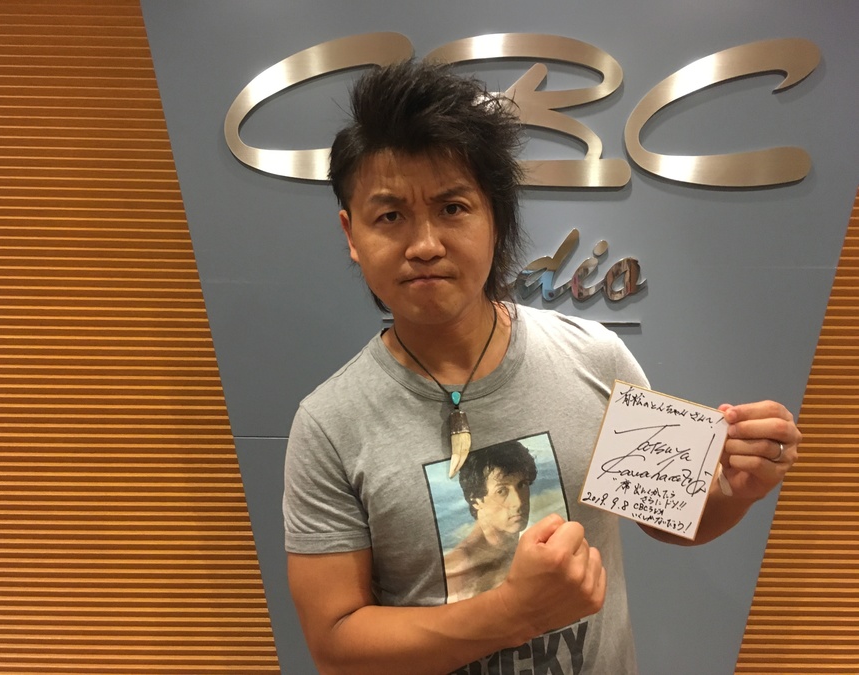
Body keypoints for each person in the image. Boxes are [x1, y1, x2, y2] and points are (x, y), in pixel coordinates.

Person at [282, 60, 801, 675]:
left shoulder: (593, 357)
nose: (424, 245)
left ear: (496, 218)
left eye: (453, 208)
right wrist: (513, 613)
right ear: (351, 233)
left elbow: (671, 520)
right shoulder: (328, 425)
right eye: (390, 216)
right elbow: (336, 645)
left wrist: (736, 493)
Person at [445, 441, 539, 602]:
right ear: (476, 501)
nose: (518, 502)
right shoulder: (459, 568)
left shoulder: (527, 547)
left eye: (522, 485)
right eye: (501, 491)